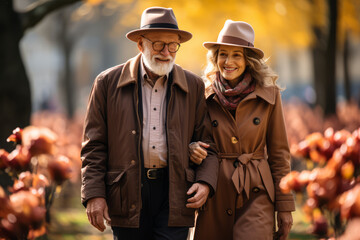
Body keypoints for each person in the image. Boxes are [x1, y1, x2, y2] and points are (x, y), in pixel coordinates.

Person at [80, 7, 218, 240]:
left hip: (175, 191)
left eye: (172, 45)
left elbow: (209, 144)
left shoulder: (193, 86)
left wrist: (205, 182)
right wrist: (94, 194)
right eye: (158, 44)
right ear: (140, 44)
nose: (166, 52)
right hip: (126, 191)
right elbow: (94, 146)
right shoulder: (107, 83)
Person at [189, 20, 295, 240]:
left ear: (249, 60)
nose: (228, 61)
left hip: (256, 190)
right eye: (223, 54)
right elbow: (192, 138)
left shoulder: (269, 94)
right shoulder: (202, 94)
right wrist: (192, 148)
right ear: (215, 58)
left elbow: (279, 154)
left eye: (236, 55)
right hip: (214, 191)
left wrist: (284, 206)